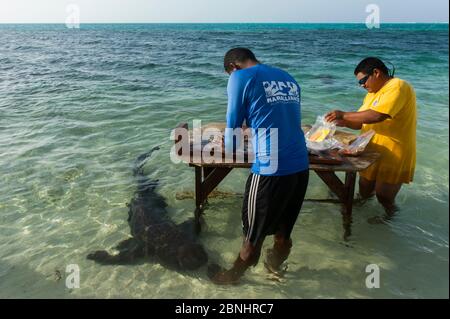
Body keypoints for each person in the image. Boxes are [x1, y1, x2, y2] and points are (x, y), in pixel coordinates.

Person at [207, 48, 309, 284]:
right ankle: (274, 269)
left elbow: (233, 126)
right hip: (300, 165)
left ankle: (232, 276)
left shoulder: (239, 77)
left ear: (233, 66)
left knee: (252, 235)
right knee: (284, 233)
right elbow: (278, 119)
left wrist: (228, 143)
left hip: (270, 169)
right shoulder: (288, 78)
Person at [325, 57, 416, 222]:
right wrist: (340, 122)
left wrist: (344, 114)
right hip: (371, 150)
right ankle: (357, 213)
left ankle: (390, 218)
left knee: (384, 197)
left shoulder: (398, 86)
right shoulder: (372, 94)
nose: (362, 86)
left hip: (394, 152)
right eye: (359, 83)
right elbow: (362, 121)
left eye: (363, 81)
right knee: (364, 190)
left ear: (376, 73)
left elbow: (378, 115)